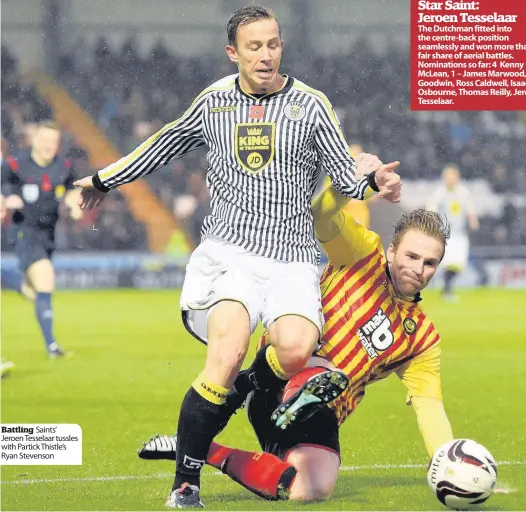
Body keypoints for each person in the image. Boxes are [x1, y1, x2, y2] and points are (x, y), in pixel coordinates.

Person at [73, 6, 402, 508]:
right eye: (255, 46)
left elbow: (344, 173)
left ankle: (241, 397)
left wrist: (374, 181)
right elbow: (164, 143)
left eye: (273, 44)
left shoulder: (312, 105)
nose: (266, 54)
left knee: (294, 351)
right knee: (225, 354)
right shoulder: (215, 102)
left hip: (294, 257)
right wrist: (102, 179)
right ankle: (185, 484)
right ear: (234, 52)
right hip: (231, 254)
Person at [138, 168, 455, 502]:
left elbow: (429, 406)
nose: (419, 269)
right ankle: (298, 389)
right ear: (393, 250)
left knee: (310, 489)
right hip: (282, 370)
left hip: (325, 412)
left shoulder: (422, 338)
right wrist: (349, 183)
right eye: (412, 256)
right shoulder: (363, 252)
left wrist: (446, 460)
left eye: (430, 263)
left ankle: (202, 447)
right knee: (323, 367)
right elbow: (320, 215)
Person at [1, 121, 82, 357]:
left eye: (53, 142)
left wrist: (73, 202)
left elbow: (72, 189)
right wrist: (5, 201)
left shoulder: (64, 166)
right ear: (34, 140)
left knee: (34, 292)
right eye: (44, 140)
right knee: (46, 279)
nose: (49, 145)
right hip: (23, 231)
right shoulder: (15, 163)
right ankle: (52, 347)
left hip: (48, 234)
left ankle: (10, 280)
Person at [426, 164, 479, 301]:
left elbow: (470, 208)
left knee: (459, 265)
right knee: (446, 262)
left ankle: (445, 286)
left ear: (457, 178)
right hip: (445, 235)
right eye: (447, 177)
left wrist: (473, 220)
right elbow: (431, 209)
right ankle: (447, 290)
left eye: (452, 177)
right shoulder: (440, 193)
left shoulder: (463, 193)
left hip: (460, 234)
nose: (450, 180)